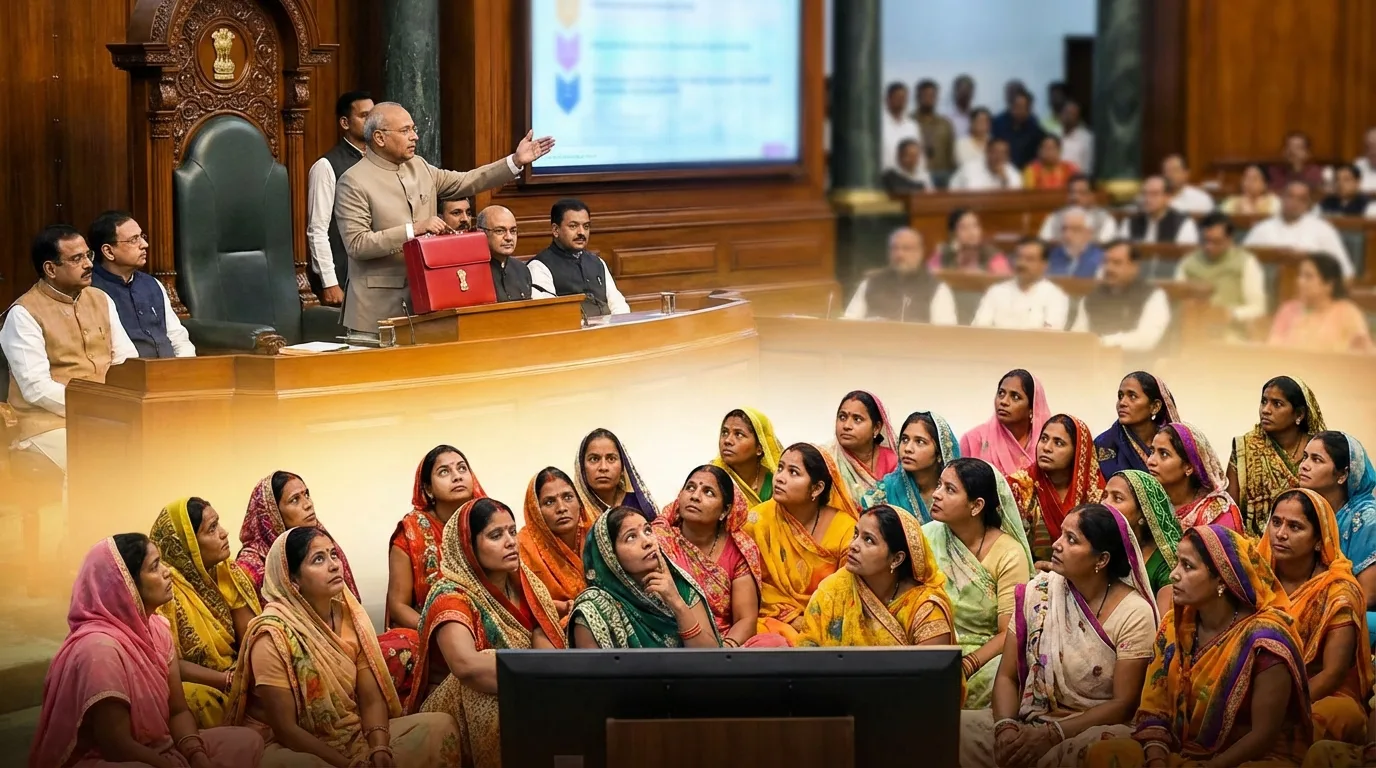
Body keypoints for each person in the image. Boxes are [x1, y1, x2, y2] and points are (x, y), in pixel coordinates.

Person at [228, 527, 461, 766]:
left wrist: (379, 748)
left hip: (351, 733)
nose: (333, 565)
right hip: (293, 746)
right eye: (318, 559)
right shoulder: (272, 636)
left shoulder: (350, 617)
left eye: (333, 554)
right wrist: (346, 764)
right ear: (292, 579)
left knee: (439, 727)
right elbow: (286, 729)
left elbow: (371, 699)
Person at [1084, 526, 1313, 768]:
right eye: (1177, 563)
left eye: (1188, 566)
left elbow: (1263, 736)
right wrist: (1156, 758)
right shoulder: (1174, 626)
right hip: (1182, 751)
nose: (1174, 575)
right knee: (1107, 754)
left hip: (1246, 759)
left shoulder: (1266, 641)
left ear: (1222, 579)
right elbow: (1155, 708)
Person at [29, 535, 265, 768]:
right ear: (126, 585)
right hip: (112, 759)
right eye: (154, 567)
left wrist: (196, 755)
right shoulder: (100, 650)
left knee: (247, 741)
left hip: (161, 748)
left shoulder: (158, 629)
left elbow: (178, 712)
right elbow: (117, 746)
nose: (167, 572)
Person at [961, 504, 1160, 768]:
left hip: (1091, 728)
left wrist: (1054, 734)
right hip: (1031, 721)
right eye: (1061, 534)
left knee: (1101, 754)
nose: (1056, 544)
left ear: (1102, 560)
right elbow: (1008, 677)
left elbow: (1124, 704)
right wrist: (1006, 729)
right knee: (954, 730)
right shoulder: (1039, 592)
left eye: (1071, 539)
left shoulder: (1134, 613)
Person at [333, 101, 554, 334]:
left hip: (429, 306)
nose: (415, 136)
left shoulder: (419, 166)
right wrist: (413, 229)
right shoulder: (353, 181)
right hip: (376, 314)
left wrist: (515, 162)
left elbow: (466, 181)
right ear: (380, 137)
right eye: (405, 130)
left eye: (414, 129)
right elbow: (357, 245)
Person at [407, 498, 563, 767]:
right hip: (455, 709)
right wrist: (537, 675)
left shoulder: (526, 584)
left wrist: (541, 674)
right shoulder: (450, 594)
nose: (511, 542)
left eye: (512, 531)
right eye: (496, 535)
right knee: (486, 677)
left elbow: (547, 651)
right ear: (468, 545)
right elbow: (466, 666)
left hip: (525, 691)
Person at [237, 471, 419, 700]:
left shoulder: (320, 541)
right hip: (294, 661)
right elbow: (258, 639)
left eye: (306, 494)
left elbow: (350, 611)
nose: (308, 504)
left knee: (409, 642)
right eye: (295, 500)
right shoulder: (251, 568)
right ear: (271, 514)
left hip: (340, 647)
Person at [1, 225, 137, 472]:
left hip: (108, 415)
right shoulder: (23, 314)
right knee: (103, 454)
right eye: (76, 259)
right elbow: (36, 389)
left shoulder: (101, 299)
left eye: (88, 255)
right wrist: (95, 409)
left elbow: (127, 361)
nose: (88, 264)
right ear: (50, 269)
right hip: (47, 424)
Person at [1258, 489, 1371, 744]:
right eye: (1276, 522)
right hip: (1259, 689)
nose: (1281, 534)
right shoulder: (1256, 577)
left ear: (1320, 540)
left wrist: (1279, 710)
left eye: (1295, 527)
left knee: (1335, 715)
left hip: (1318, 694)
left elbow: (1333, 674)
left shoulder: (1339, 592)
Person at [923, 458, 1034, 709]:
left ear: (976, 506)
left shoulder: (1008, 554)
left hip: (985, 656)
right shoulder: (926, 537)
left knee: (1002, 678)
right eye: (939, 485)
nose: (936, 494)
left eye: (950, 489)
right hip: (930, 645)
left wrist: (968, 663)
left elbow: (1009, 632)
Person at [150, 498, 262, 728]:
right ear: (186, 544)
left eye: (218, 523)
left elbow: (250, 638)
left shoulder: (228, 573)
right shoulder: (166, 590)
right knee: (192, 699)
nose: (223, 533)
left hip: (235, 674)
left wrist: (249, 674)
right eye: (211, 529)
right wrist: (226, 680)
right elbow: (169, 662)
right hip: (195, 682)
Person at [745, 442, 860, 645]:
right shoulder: (757, 521)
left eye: (793, 472)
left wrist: (810, 621)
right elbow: (749, 586)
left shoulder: (845, 529)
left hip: (827, 623)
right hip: (770, 622)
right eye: (780, 468)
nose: (780, 477)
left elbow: (848, 594)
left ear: (817, 488)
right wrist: (792, 619)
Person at [798, 504, 954, 647]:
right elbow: (806, 653)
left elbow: (932, 667)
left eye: (868, 540)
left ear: (896, 559)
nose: (853, 545)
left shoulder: (924, 609)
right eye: (856, 534)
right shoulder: (833, 591)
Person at [570, 506, 721, 648]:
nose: (648, 542)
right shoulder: (594, 612)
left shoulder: (679, 586)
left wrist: (677, 603)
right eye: (631, 537)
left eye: (648, 531)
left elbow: (713, 658)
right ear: (609, 555)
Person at [654, 465, 762, 647]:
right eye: (690, 487)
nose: (695, 496)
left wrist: (724, 651)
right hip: (667, 636)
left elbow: (745, 619)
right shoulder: (660, 540)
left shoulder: (740, 549)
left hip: (723, 641)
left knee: (774, 642)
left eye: (708, 492)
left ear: (725, 511)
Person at [387, 445, 488, 633]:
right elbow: (398, 606)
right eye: (444, 472)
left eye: (462, 468)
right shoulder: (411, 533)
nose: (457, 476)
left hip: (489, 626)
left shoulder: (488, 523)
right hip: (431, 630)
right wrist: (438, 631)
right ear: (428, 489)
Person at [1227, 376, 1328, 535]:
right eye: (1264, 401)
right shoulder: (1244, 448)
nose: (1266, 410)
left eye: (1277, 404)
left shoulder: (1318, 450)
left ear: (1299, 414)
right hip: (1252, 544)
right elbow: (1231, 510)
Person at [1299, 431, 1376, 637]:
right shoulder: (1305, 508)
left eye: (1316, 460)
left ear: (1342, 475)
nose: (1304, 465)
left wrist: (1312, 614)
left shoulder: (1368, 519)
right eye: (1305, 457)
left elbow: (1366, 596)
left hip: (1352, 612)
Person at [87, 211, 195, 358]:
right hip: (127, 370)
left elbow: (178, 337)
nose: (145, 244)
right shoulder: (90, 290)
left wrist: (184, 365)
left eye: (142, 237)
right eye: (133, 240)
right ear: (108, 251)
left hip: (171, 367)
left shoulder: (152, 284)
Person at [1008, 415, 1106, 563]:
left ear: (1078, 451)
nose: (1046, 448)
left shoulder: (1097, 493)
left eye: (1059, 443)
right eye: (1044, 439)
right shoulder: (1019, 487)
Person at [306, 90, 373, 305]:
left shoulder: (381, 162)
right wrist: (329, 282)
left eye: (374, 115)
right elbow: (317, 229)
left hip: (378, 278)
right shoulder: (326, 166)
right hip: (344, 277)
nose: (372, 122)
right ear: (345, 123)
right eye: (364, 116)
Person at [529, 198, 630, 317]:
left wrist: (619, 324)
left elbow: (618, 304)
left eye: (586, 226)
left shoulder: (597, 262)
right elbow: (549, 315)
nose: (581, 232)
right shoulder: (539, 266)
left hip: (608, 327)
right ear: (556, 230)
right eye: (573, 226)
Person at [1070, 240, 1173, 351]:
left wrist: (1101, 342)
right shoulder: (1091, 298)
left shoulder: (1154, 296)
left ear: (1134, 267)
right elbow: (1078, 337)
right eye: (1105, 262)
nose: (1109, 268)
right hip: (1095, 359)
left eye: (1117, 263)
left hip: (1140, 360)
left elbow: (1146, 340)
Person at [518, 466, 594, 615]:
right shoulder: (522, 548)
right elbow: (522, 602)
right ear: (535, 510)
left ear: (579, 502)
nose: (561, 508)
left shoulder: (596, 534)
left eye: (568, 497)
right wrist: (562, 607)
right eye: (549, 502)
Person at [1176, 212, 1268, 334]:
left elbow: (1258, 307)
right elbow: (1176, 301)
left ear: (1230, 239)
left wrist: (1232, 314)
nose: (1209, 247)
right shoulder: (1188, 262)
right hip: (1193, 329)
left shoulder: (1246, 262)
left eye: (1216, 241)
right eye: (1205, 241)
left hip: (1230, 331)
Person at [843, 227, 958, 324]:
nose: (899, 254)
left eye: (906, 249)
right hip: (872, 341)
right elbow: (849, 323)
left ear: (920, 252)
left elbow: (945, 333)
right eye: (895, 248)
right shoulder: (871, 283)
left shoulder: (937, 289)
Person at [865, 411, 961, 523]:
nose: (908, 448)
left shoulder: (957, 495)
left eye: (920, 442)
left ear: (939, 453)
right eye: (905, 440)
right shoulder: (884, 494)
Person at [1268, 252, 1373, 352]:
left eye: (1308, 277)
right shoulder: (1288, 310)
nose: (1300, 281)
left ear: (1328, 285)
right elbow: (1273, 349)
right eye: (1300, 275)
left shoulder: (1347, 312)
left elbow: (1365, 352)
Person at [1245, 181, 1353, 277]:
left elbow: (1345, 272)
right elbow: (1242, 263)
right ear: (1281, 198)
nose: (1294, 202)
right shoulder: (1262, 229)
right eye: (1290, 196)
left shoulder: (1324, 230)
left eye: (1301, 199)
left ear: (1307, 205)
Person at [1148, 423, 1243, 530]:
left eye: (1164, 454)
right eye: (1152, 452)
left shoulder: (1217, 514)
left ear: (1189, 467)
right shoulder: (1146, 503)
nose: (1150, 461)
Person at [1104, 470, 1184, 598]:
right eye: (1105, 495)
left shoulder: (1165, 566)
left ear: (1143, 513)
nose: (1105, 503)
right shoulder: (1105, 547)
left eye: (1117, 498)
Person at [960, 368, 1052, 476]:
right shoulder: (973, 440)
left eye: (1015, 397)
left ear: (1032, 408)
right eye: (1001, 393)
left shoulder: (1046, 444)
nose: (1003, 401)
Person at [1093, 371, 1182, 478]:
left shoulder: (1171, 442)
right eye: (1120, 396)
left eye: (1132, 396)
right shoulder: (1104, 443)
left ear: (1155, 407)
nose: (1122, 403)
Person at [971, 237, 1071, 331]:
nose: (1022, 264)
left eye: (1030, 259)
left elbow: (1050, 333)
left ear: (1044, 265)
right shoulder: (996, 291)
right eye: (1019, 257)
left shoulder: (1056, 295)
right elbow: (979, 328)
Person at [827, 390, 898, 504]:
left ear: (876, 428)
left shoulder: (893, 462)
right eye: (842, 417)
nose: (846, 426)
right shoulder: (827, 459)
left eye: (857, 419)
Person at [573, 427, 658, 519]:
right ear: (581, 467)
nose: (603, 467)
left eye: (611, 459)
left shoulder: (641, 506)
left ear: (623, 467)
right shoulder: (575, 511)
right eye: (594, 459)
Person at [712, 407, 785, 509]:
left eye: (738, 434)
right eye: (724, 432)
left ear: (760, 447)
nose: (727, 440)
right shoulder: (712, 477)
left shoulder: (776, 483)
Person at [473, 205, 533, 302]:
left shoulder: (521, 269)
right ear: (481, 232)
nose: (509, 237)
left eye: (513, 231)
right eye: (500, 231)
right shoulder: (471, 272)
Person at [1118, 176, 1200, 245]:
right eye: (1144, 193)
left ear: (1168, 197)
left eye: (1154, 194)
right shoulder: (1130, 222)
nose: (1147, 199)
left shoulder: (1184, 224)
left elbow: (1186, 255)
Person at [1039, 174, 1120, 244]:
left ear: (1093, 196)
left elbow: (1106, 246)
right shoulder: (1055, 216)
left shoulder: (1105, 219)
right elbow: (1043, 243)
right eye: (1072, 192)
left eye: (1082, 193)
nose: (1074, 197)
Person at [927, 208, 1011, 274]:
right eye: (964, 228)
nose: (972, 232)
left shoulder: (993, 256)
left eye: (975, 226)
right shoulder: (943, 256)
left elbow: (1005, 285)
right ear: (953, 234)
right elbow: (928, 280)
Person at [992, 91, 1046, 170]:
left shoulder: (1035, 130)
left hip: (1025, 171)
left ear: (1029, 109)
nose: (1017, 110)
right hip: (1000, 168)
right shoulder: (998, 123)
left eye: (1021, 107)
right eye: (1015, 106)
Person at [1045, 207, 1105, 277]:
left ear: (1089, 233)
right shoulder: (1051, 256)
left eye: (1075, 229)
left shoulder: (1102, 259)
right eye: (1064, 229)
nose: (1067, 235)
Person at [914, 79, 956, 180]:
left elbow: (951, 154)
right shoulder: (909, 123)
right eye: (925, 95)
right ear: (917, 97)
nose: (929, 99)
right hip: (917, 175)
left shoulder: (945, 124)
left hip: (942, 176)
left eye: (932, 95)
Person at [950, 138, 1024, 191]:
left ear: (1008, 156)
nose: (999, 157)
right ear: (987, 152)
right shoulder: (970, 168)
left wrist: (1005, 181)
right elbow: (953, 188)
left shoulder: (1012, 172)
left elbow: (1016, 197)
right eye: (995, 152)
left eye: (1003, 153)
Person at [881, 81, 921, 173]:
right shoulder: (878, 124)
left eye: (903, 98)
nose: (901, 101)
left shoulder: (912, 125)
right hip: (884, 175)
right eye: (897, 97)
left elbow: (919, 154)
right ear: (887, 99)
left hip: (908, 176)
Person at [1058, 101, 1094, 176]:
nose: (1068, 117)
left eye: (1072, 114)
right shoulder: (1054, 134)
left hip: (1077, 179)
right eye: (1066, 113)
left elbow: (1087, 167)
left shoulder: (1086, 138)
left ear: (1078, 118)